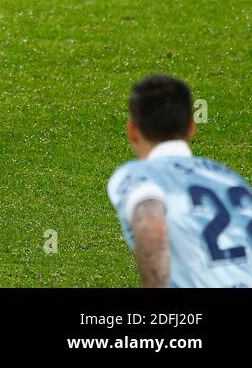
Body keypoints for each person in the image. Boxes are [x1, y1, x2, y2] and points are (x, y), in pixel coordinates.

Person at [107, 74, 252, 287]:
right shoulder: (230, 179)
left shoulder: (139, 175)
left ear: (133, 131)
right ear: (192, 128)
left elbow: (151, 224)